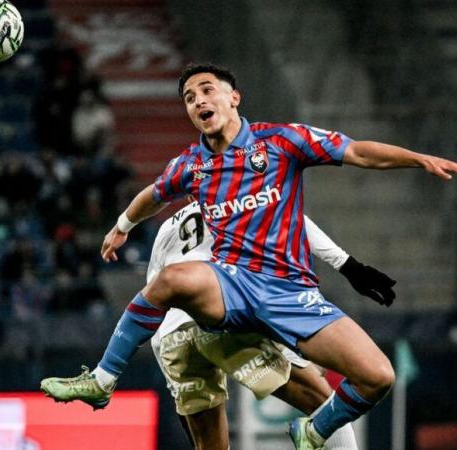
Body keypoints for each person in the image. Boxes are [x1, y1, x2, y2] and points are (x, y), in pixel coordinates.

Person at [40, 63, 457, 450]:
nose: (199, 101)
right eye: (189, 97)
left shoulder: (280, 142)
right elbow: (153, 195)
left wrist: (416, 159)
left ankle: (314, 431)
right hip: (231, 285)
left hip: (291, 295)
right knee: (170, 280)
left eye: (207, 90)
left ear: (234, 97)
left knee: (378, 376)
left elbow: (358, 152)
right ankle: (102, 379)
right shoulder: (190, 165)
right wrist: (122, 226)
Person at [149, 201, 394, 449]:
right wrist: (346, 264)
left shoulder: (166, 230)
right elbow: (292, 221)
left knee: (210, 445)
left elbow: (151, 300)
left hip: (172, 335)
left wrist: (175, 381)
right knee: (322, 401)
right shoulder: (234, 197)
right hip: (221, 314)